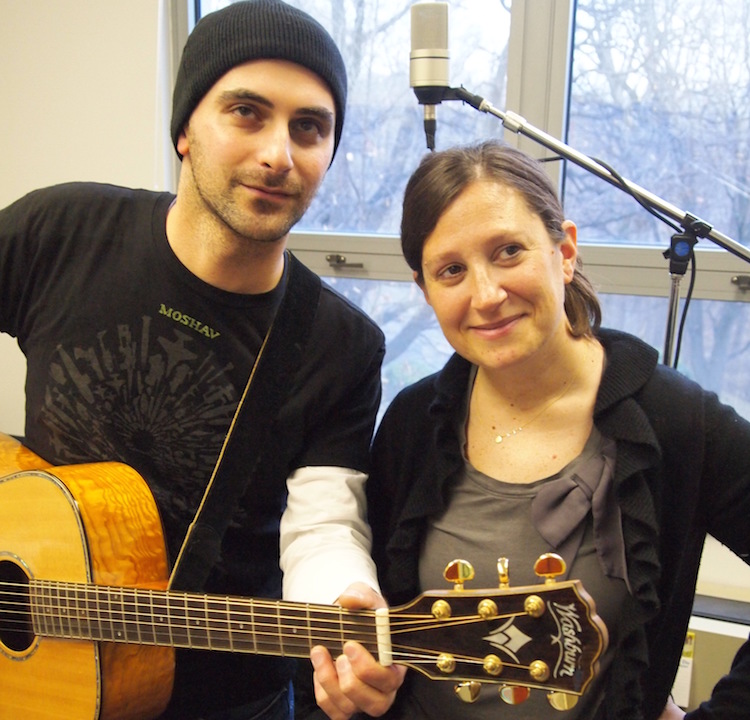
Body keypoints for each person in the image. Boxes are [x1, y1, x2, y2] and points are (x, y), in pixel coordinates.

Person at [0, 1, 400, 718]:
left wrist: (346, 605)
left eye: (309, 126)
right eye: (247, 112)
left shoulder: (342, 345)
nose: (279, 154)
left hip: (225, 701)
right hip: (31, 678)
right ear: (186, 129)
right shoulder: (57, 230)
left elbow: (322, 528)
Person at [357, 140, 750, 719]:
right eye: (452, 271)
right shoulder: (414, 424)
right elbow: (375, 614)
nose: (486, 295)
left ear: (564, 251)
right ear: (426, 292)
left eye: (509, 251)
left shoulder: (677, 421)